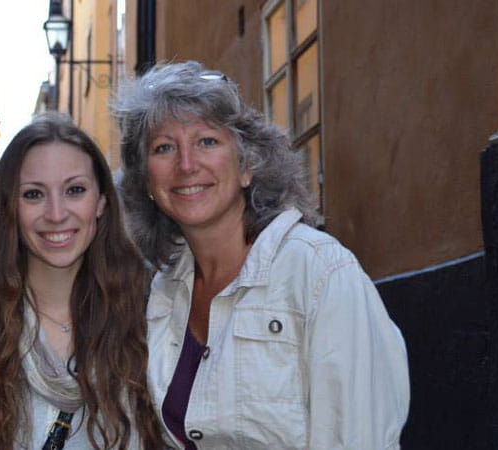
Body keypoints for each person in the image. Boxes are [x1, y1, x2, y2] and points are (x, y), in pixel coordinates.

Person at [112, 61, 410, 449]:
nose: (186, 165)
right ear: (147, 181)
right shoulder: (163, 293)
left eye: (207, 141)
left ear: (247, 167)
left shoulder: (319, 272)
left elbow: (361, 437)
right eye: (164, 148)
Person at [0, 113, 164, 449]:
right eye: (34, 194)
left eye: (75, 190)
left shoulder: (153, 315)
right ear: (10, 208)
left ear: (101, 203)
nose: (55, 213)